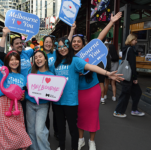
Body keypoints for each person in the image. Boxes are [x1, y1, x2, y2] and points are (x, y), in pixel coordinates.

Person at [53, 37, 123, 150]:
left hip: (71, 101)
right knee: (60, 127)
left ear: (68, 47)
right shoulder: (55, 63)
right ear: (56, 48)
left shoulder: (75, 60)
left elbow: (91, 66)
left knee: (72, 128)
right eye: (59, 47)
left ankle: (75, 147)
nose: (62, 49)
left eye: (64, 46)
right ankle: (61, 146)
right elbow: (48, 77)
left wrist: (107, 73)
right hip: (57, 101)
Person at [67, 12, 122, 150]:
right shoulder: (68, 57)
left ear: (83, 43)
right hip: (77, 91)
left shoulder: (87, 52)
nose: (76, 43)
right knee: (79, 116)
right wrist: (72, 30)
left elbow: (100, 38)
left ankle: (91, 141)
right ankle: (81, 140)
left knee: (92, 115)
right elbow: (65, 42)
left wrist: (111, 22)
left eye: (78, 41)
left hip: (92, 88)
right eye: (74, 42)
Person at [0, 27, 35, 130]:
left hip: (29, 91)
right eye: (17, 43)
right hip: (16, 93)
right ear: (12, 46)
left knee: (26, 119)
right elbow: (0, 52)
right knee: (16, 118)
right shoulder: (10, 57)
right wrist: (4, 35)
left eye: (20, 43)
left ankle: (25, 141)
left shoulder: (27, 53)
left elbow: (39, 49)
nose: (19, 45)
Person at [25, 50, 53, 150]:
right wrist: (26, 87)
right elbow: (25, 86)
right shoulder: (30, 72)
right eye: (36, 57)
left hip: (43, 106)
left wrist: (57, 93)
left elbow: (53, 92)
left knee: (40, 131)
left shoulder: (51, 75)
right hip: (30, 103)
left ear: (45, 59)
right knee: (31, 130)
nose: (38, 59)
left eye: (40, 56)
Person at [114, 33, 145, 118]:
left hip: (126, 75)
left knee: (137, 92)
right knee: (125, 94)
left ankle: (134, 110)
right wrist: (135, 77)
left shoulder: (126, 49)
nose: (136, 41)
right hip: (129, 76)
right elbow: (132, 65)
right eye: (135, 40)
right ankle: (118, 112)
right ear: (131, 40)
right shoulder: (130, 49)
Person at [42, 35, 59, 140]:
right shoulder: (40, 54)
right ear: (43, 43)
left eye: (50, 42)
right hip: (44, 85)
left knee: (56, 110)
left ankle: (57, 132)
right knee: (46, 110)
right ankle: (46, 131)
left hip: (56, 84)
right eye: (46, 42)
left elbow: (67, 43)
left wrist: (71, 30)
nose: (48, 44)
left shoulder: (56, 53)